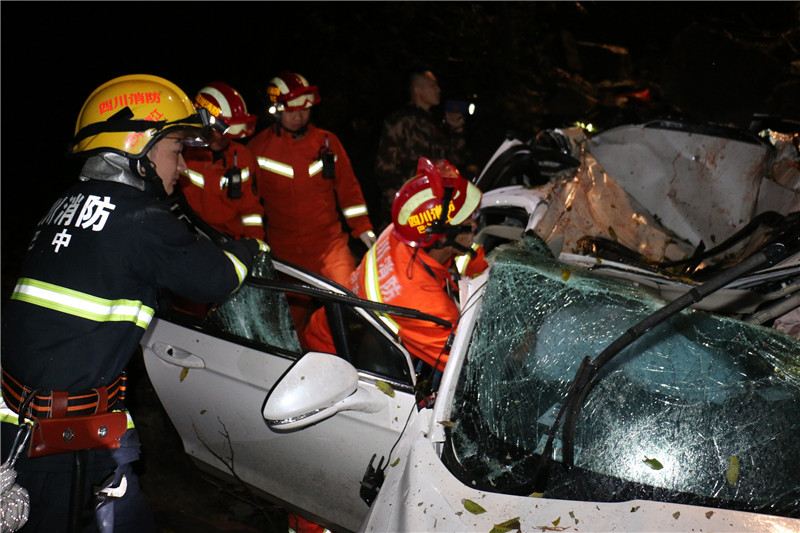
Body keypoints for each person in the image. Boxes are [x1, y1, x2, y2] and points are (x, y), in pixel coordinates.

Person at [0, 74, 267, 533]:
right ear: (137, 149)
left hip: (27, 425)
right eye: (177, 149)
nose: (182, 166)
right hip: (63, 447)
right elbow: (214, 278)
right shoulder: (140, 219)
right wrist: (251, 250)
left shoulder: (63, 205)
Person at [304, 157, 484, 383]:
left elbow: (452, 259)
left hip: (333, 328)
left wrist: (484, 267)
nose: (475, 226)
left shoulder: (402, 232)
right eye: (468, 223)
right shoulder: (426, 306)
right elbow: (468, 364)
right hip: (336, 362)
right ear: (441, 237)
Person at [248, 71, 376, 333]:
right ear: (276, 110)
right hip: (284, 252)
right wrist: (252, 244)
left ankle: (351, 362)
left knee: (353, 304)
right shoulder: (257, 149)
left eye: (305, 109)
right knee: (288, 324)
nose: (299, 116)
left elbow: (349, 191)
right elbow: (249, 206)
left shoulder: (327, 142)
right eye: (292, 110)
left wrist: (363, 230)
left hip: (330, 244)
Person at [373, 69, 468, 227]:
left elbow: (455, 162)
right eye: (432, 85)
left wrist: (456, 130)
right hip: (407, 210)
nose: (438, 89)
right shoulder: (400, 121)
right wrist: (400, 208)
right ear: (418, 90)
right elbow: (385, 169)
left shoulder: (435, 124)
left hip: (435, 209)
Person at [180, 81, 264, 240]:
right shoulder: (181, 153)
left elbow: (251, 211)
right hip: (192, 237)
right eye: (220, 129)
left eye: (231, 130)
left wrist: (256, 244)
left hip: (231, 241)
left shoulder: (243, 156)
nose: (225, 137)